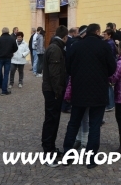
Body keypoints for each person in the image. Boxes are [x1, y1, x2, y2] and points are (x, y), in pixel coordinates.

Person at [62, 23, 117, 169]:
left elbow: (68, 68)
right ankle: (91, 158)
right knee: (95, 125)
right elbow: (112, 68)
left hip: (79, 90)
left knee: (74, 123)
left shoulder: (75, 46)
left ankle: (67, 155)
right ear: (97, 32)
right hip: (98, 90)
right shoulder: (104, 46)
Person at [41, 25, 69, 166]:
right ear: (64, 37)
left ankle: (50, 148)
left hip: (51, 89)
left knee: (53, 119)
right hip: (52, 90)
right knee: (51, 120)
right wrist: (59, 92)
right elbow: (55, 74)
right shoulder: (55, 49)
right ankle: (47, 152)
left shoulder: (54, 47)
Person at [0, 27, 18, 95]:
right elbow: (16, 48)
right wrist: (11, 51)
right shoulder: (12, 39)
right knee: (6, 75)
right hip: (8, 58)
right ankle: (4, 91)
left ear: (2, 32)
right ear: (8, 31)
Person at [103, 29, 117, 112]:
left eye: (105, 34)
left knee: (108, 85)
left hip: (108, 66)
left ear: (109, 35)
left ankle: (110, 104)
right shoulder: (108, 43)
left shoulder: (109, 44)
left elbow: (110, 57)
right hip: (109, 65)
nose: (103, 35)